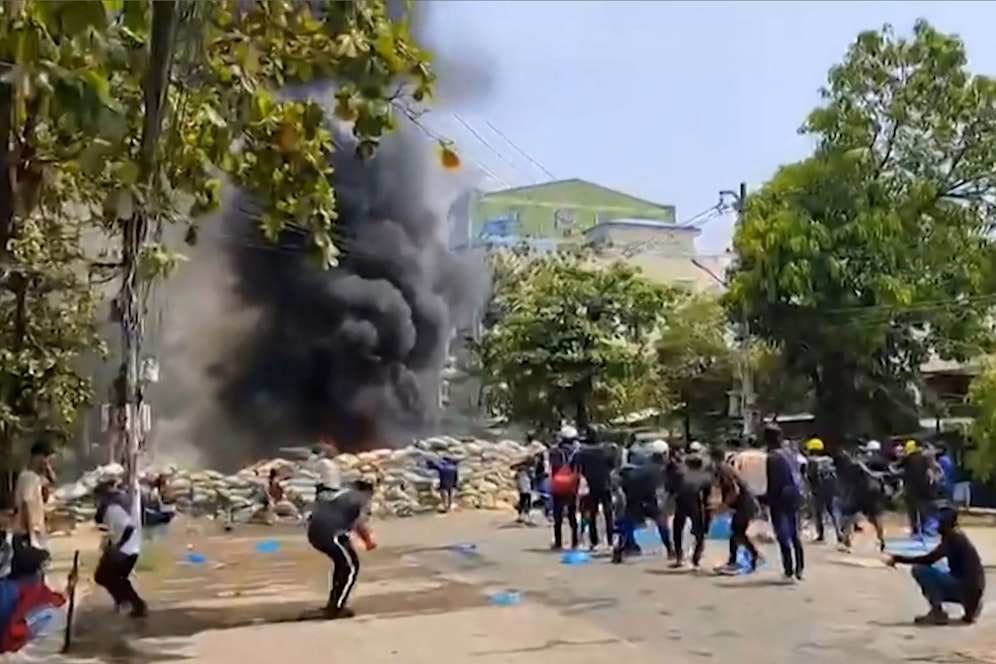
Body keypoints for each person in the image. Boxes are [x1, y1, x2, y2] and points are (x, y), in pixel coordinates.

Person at [884, 506, 984, 625]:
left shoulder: (953, 537)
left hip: (965, 588)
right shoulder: (958, 536)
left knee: (920, 570)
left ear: (946, 523)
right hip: (974, 591)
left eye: (939, 523)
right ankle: (971, 607)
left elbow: (928, 559)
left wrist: (898, 558)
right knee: (941, 568)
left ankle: (937, 612)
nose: (937, 526)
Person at [306, 479, 377, 619]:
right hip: (331, 533)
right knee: (349, 567)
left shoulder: (340, 493)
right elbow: (360, 523)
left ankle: (334, 603)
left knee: (343, 564)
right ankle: (335, 608)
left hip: (317, 532)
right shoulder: (361, 498)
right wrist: (368, 542)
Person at [93, 480, 146, 618]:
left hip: (125, 549)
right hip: (131, 548)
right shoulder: (122, 502)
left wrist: (118, 546)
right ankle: (127, 603)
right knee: (115, 578)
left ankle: (132, 603)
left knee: (104, 577)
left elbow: (128, 527)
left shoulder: (113, 507)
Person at [611, 452, 674, 564]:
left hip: (633, 499)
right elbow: (660, 490)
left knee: (627, 527)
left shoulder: (641, 469)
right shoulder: (658, 471)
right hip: (649, 500)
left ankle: (618, 551)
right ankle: (670, 549)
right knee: (661, 524)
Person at [764, 425, 805, 581]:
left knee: (782, 534)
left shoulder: (772, 457)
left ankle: (788, 570)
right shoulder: (791, 453)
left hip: (780, 498)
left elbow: (772, 482)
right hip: (795, 496)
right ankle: (799, 568)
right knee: (794, 532)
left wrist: (767, 499)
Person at [712, 446, 762, 575]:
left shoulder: (723, 469)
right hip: (746, 504)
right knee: (737, 533)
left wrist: (723, 506)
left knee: (737, 532)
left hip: (745, 505)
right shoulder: (726, 468)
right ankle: (752, 557)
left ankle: (739, 560)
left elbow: (734, 490)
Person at [836, 450, 887, 552]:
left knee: (848, 517)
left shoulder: (848, 468)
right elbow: (873, 475)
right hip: (871, 493)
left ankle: (847, 543)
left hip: (861, 494)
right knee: (875, 518)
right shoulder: (859, 464)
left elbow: (848, 486)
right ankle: (882, 541)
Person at [669, 454, 713, 569]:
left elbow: (672, 490)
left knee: (677, 529)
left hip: (681, 504)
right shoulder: (706, 477)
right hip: (697, 505)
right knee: (700, 533)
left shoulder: (680, 475)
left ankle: (679, 556)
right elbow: (708, 496)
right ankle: (696, 558)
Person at [12, 441, 57, 553]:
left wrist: (47, 470)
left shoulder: (35, 478)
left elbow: (51, 485)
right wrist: (32, 536)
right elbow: (27, 505)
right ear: (37, 457)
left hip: (35, 531)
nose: (47, 463)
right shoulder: (28, 478)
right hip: (27, 532)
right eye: (46, 458)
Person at [574, 435, 615, 550]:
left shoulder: (582, 452)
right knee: (608, 513)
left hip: (590, 485)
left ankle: (594, 541)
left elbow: (577, 467)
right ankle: (610, 541)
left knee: (592, 513)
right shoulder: (606, 451)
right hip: (605, 484)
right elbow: (612, 465)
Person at [548, 426, 580, 550]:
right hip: (572, 485)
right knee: (572, 514)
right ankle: (575, 542)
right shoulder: (577, 452)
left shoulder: (555, 451)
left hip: (558, 485)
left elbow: (552, 467)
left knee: (558, 515)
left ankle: (558, 542)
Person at [804, 438, 841, 544]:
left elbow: (809, 476)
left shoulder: (811, 461)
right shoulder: (829, 459)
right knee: (833, 511)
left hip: (817, 490)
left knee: (818, 513)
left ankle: (821, 535)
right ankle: (839, 533)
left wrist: (808, 490)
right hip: (830, 489)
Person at [901, 440, 934, 537]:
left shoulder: (907, 459)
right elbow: (930, 471)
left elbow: (899, 468)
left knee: (912, 509)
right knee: (923, 507)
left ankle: (915, 529)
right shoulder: (924, 458)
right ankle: (923, 527)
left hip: (911, 487)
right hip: (924, 486)